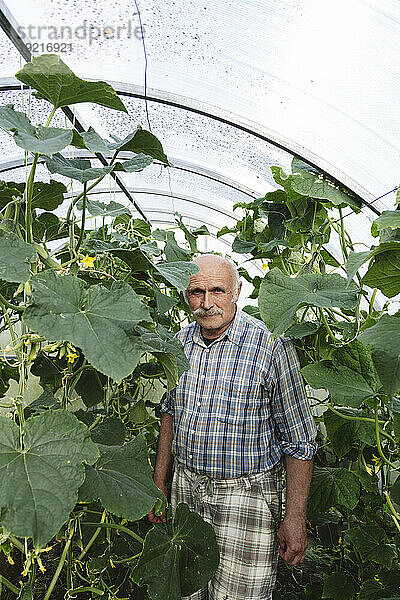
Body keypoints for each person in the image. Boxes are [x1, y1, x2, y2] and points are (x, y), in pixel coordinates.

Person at [148, 254, 317, 600]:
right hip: (186, 489)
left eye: (217, 291)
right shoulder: (178, 344)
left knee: (241, 594)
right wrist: (159, 484)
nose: (207, 303)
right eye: (196, 293)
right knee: (186, 590)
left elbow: (299, 441)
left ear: (237, 291)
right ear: (185, 295)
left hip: (247, 496)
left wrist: (294, 517)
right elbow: (169, 411)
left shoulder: (270, 346)